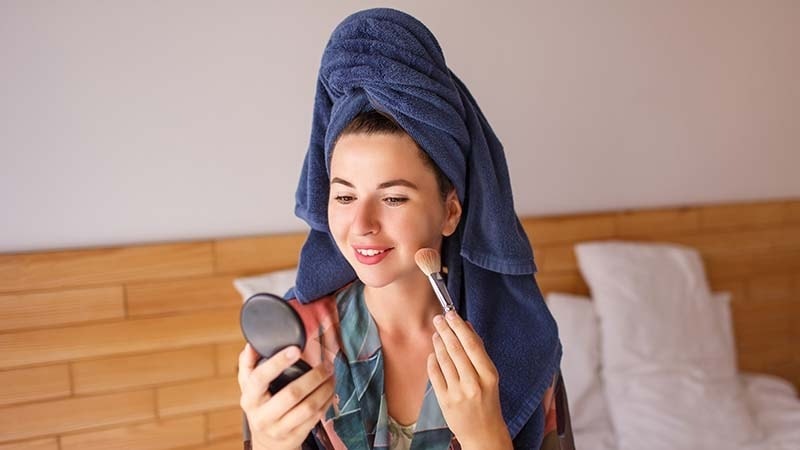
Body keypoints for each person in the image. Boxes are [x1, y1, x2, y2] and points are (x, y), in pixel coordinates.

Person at [238, 8, 573, 450]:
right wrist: (265, 442)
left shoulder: (521, 343)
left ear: (450, 212)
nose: (361, 225)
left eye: (393, 198)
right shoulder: (298, 342)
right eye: (344, 196)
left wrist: (487, 437)